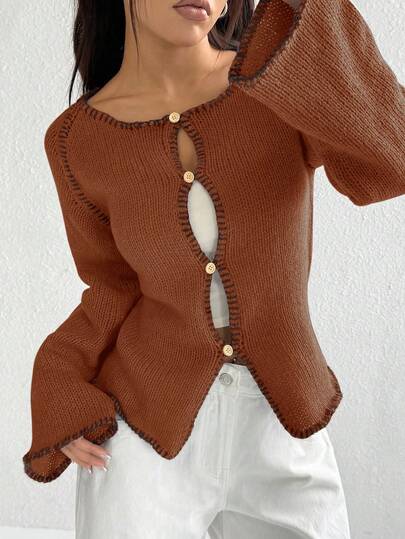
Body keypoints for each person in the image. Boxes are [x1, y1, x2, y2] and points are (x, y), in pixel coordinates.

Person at [23, 0, 405, 537]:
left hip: (282, 419)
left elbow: (392, 160)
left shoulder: (277, 84)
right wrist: (58, 380)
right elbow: (112, 286)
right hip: (143, 431)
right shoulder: (75, 140)